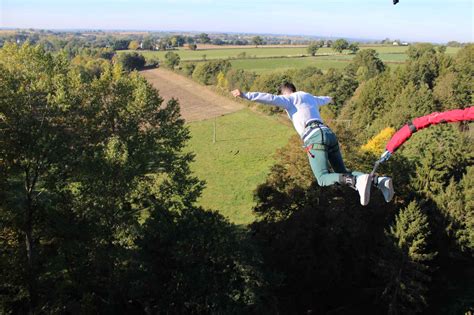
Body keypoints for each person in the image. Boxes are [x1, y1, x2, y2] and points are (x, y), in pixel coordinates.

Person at [231, 82, 394, 206]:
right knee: (342, 172)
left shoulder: (289, 99)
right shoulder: (309, 97)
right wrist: (331, 98)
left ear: (286, 93)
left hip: (314, 138)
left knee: (322, 178)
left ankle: (357, 182)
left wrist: (245, 95)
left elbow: (270, 99)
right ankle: (379, 181)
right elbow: (324, 99)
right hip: (329, 133)